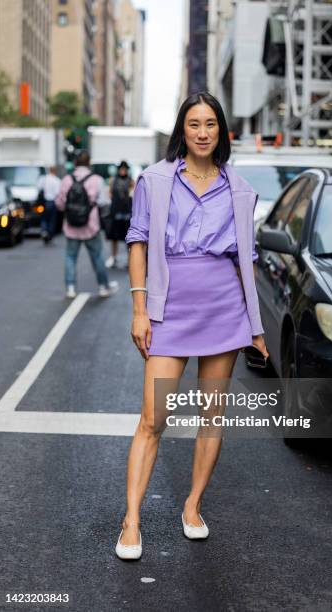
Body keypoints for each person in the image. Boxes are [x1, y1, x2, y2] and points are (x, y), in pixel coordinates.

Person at [115, 91, 269, 561]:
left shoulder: (240, 189)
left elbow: (248, 261)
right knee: (153, 418)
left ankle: (193, 505)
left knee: (211, 416)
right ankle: (131, 519)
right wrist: (140, 310)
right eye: (193, 125)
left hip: (224, 308)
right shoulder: (154, 180)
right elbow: (138, 242)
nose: (202, 133)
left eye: (210, 125)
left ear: (222, 131)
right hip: (170, 306)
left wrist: (256, 327)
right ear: (182, 130)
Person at [55, 151, 119, 299]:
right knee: (97, 256)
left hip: (71, 226)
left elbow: (59, 203)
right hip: (91, 225)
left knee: (70, 257)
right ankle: (103, 287)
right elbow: (104, 202)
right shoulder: (96, 179)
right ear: (89, 163)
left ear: (75, 163)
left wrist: (70, 211)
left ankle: (70, 288)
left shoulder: (66, 180)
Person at [105, 161, 135, 269]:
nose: (123, 170)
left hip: (127, 212)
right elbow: (109, 194)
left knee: (128, 238)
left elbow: (134, 195)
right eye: (121, 168)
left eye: (124, 168)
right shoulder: (113, 180)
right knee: (114, 236)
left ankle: (130, 259)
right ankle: (114, 257)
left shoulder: (131, 181)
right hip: (115, 212)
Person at [37, 166, 61, 243]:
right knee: (52, 219)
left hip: (43, 202)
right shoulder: (57, 180)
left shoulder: (43, 179)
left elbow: (39, 188)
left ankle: (44, 230)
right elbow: (58, 193)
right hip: (52, 202)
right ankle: (50, 233)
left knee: (43, 217)